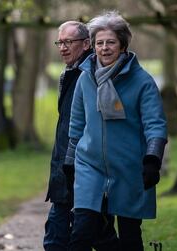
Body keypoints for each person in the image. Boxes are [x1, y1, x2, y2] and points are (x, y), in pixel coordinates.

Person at [65, 12, 168, 251]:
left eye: (110, 42)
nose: (104, 48)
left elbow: (156, 123)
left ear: (122, 45)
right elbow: (77, 124)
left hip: (130, 168)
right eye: (99, 43)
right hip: (90, 166)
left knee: (130, 238)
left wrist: (153, 159)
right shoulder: (84, 79)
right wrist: (70, 162)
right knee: (81, 233)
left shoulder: (142, 81)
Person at [43, 20, 119, 251]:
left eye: (69, 42)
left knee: (94, 237)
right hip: (64, 171)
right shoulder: (70, 74)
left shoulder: (94, 76)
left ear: (86, 44)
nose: (63, 48)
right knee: (60, 238)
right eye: (60, 42)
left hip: (86, 172)